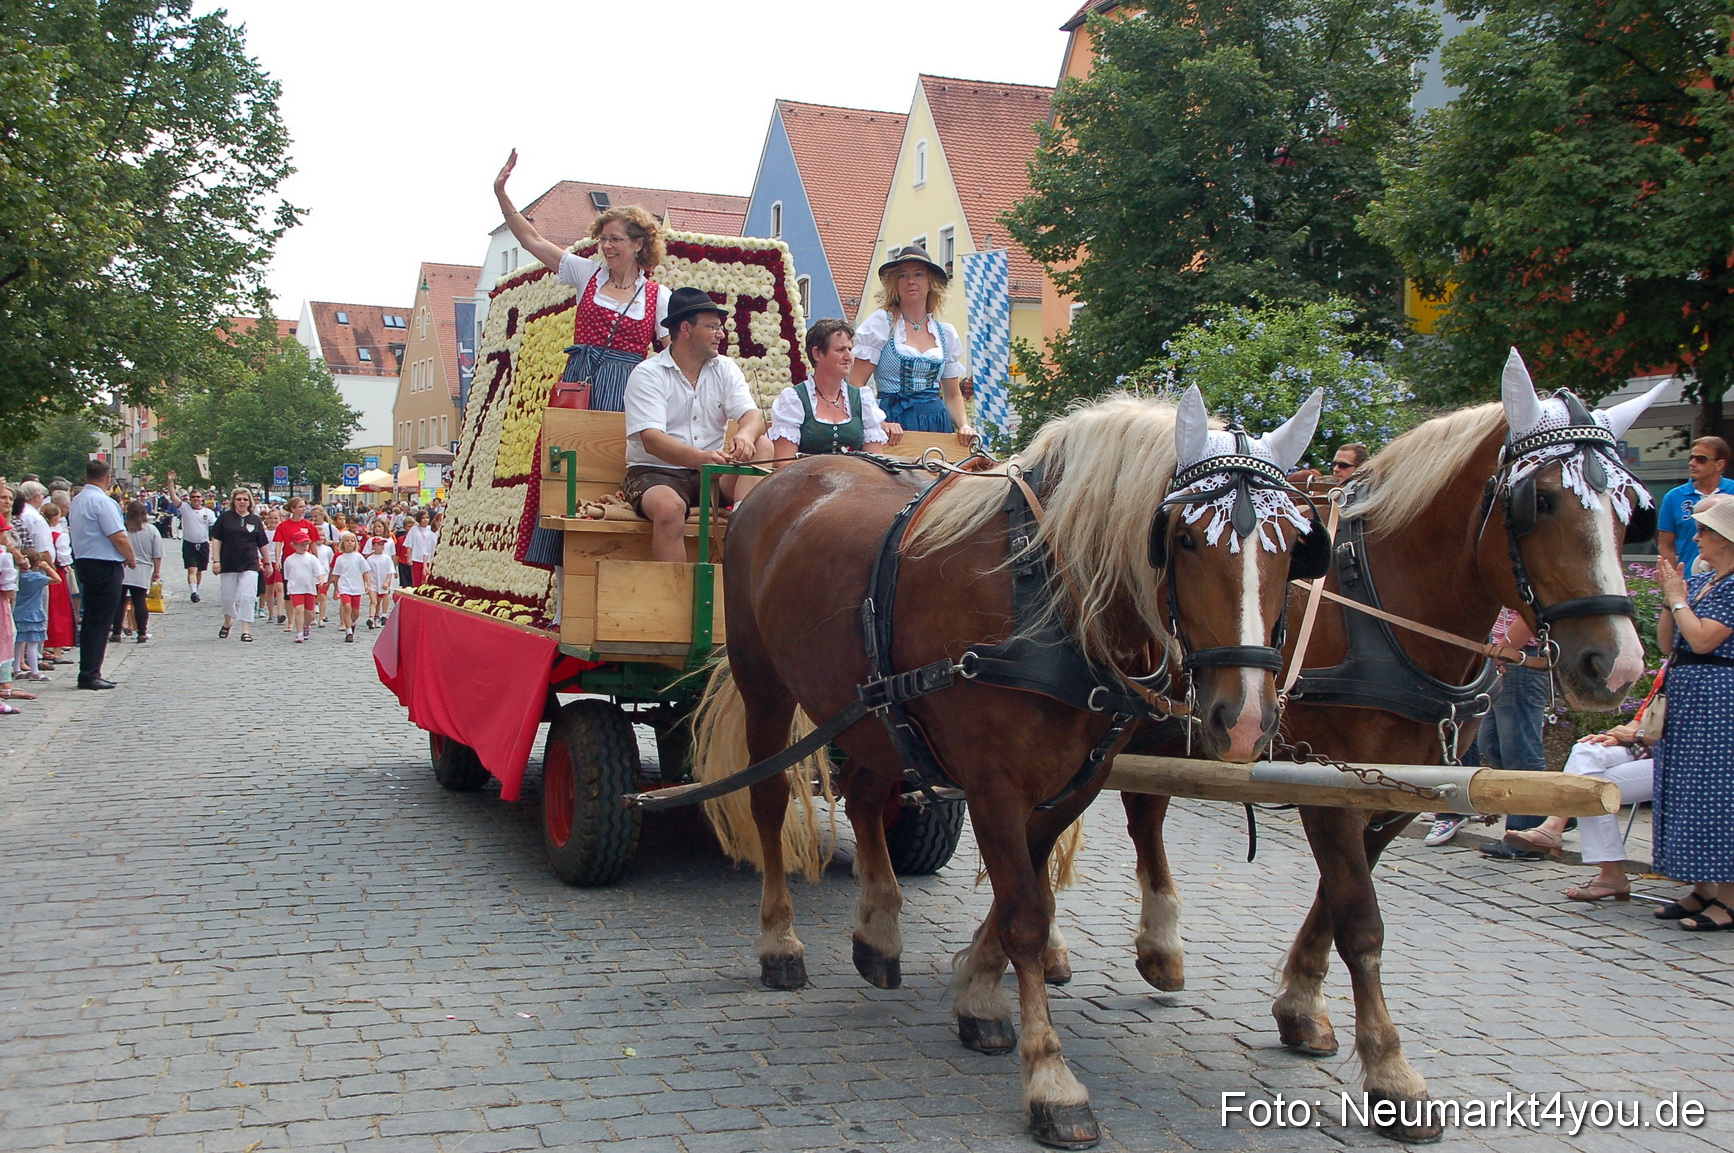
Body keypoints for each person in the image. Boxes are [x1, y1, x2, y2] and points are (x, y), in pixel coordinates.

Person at [496, 149, 670, 569]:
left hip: (629, 394)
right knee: (563, 479)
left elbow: (670, 359)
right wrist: (501, 194)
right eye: (603, 238)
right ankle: (561, 584)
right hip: (580, 385)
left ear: (638, 244)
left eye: (615, 239)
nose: (606, 246)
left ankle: (609, 569)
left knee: (611, 477)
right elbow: (531, 240)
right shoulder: (586, 274)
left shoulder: (659, 297)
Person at [622, 287, 766, 563]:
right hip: (656, 472)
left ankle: (740, 529)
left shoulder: (725, 367)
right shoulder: (648, 374)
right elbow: (652, 440)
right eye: (712, 326)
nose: (721, 334)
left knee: (763, 444)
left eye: (720, 327)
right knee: (669, 508)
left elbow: (753, 416)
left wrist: (746, 436)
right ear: (686, 329)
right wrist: (701, 459)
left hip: (710, 474)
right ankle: (673, 600)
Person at [1648, 495, 1734, 929]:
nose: (1695, 536)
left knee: (1719, 791)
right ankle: (1703, 887)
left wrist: (1679, 600)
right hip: (1692, 695)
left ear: (1726, 539)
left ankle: (1731, 897)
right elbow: (1669, 643)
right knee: (1689, 786)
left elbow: (1703, 640)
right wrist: (1670, 600)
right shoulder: (1708, 581)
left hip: (1720, 698)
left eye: (1703, 531)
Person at [1502, 721, 1654, 901]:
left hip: (1678, 760)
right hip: (1642, 750)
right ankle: (1553, 826)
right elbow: (1643, 715)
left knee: (1590, 783)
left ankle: (1609, 872)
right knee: (1586, 749)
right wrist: (1618, 735)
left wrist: (1639, 735)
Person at [849, 246, 973, 442]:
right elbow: (856, 385)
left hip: (936, 424)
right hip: (892, 424)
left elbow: (952, 395)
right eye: (903, 276)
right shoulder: (881, 324)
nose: (911, 281)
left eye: (919, 274)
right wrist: (879, 422)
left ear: (930, 283)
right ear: (895, 284)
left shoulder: (945, 334)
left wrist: (964, 425)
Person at [68, 460, 136, 689]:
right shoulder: (103, 502)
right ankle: (90, 673)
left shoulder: (77, 500)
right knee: (101, 620)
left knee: (91, 619)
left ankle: (89, 669)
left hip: (85, 561)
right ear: (108, 478)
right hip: (104, 564)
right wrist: (131, 557)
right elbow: (118, 535)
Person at [1657, 436, 1734, 575]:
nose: (1692, 463)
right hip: (1689, 581)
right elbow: (1666, 545)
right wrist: (1673, 578)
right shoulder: (1673, 497)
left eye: (1701, 459)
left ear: (1719, 465)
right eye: (1691, 458)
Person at [210, 489, 269, 642]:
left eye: (245, 499)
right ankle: (228, 620)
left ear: (249, 502)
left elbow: (262, 543)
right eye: (239, 499)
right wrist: (216, 560)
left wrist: (268, 563)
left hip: (249, 562)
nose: (242, 502)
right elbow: (216, 539)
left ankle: (245, 629)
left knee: (248, 596)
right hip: (229, 562)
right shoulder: (225, 518)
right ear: (234, 501)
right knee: (228, 597)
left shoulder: (255, 520)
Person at [113, 500, 163, 644]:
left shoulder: (122, 529)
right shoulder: (151, 530)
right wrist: (157, 571)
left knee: (120, 602)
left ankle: (116, 631)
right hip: (143, 569)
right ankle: (142, 632)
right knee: (139, 601)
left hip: (123, 567)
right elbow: (157, 553)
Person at [166, 472, 215, 602]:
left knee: (199, 571)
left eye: (198, 497)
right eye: (193, 497)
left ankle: (196, 589)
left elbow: (216, 526)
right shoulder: (185, 508)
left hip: (203, 544)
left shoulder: (208, 513)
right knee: (191, 569)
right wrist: (171, 482)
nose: (195, 499)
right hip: (189, 543)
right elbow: (173, 496)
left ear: (202, 499)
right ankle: (193, 592)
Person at [13, 551, 59, 681]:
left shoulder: (17, 577)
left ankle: (16, 669)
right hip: (33, 613)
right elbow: (57, 579)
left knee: (18, 642)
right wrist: (48, 567)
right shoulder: (36, 578)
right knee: (33, 643)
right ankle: (34, 671)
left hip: (18, 612)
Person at [41, 500, 75, 663]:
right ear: (56, 518)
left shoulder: (41, 532)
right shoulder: (58, 535)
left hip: (43, 572)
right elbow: (63, 558)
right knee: (58, 611)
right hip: (56, 572)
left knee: (45, 610)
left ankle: (44, 646)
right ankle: (57, 650)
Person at [281, 537, 322, 643]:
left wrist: (320, 579)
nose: (304, 547)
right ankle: (299, 633)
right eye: (301, 545)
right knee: (298, 609)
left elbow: (318, 571)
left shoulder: (312, 558)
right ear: (294, 545)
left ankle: (306, 626)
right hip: (295, 588)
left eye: (306, 544)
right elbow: (287, 575)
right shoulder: (289, 560)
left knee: (309, 613)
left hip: (309, 588)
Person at [331, 532, 368, 643]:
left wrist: (368, 585)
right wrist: (336, 589)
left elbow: (366, 571)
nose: (350, 543)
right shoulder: (340, 558)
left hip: (356, 586)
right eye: (347, 541)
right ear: (343, 543)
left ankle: (352, 623)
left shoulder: (359, 557)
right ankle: (348, 631)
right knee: (346, 607)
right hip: (344, 586)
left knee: (355, 612)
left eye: (352, 540)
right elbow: (336, 575)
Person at [365, 535, 396, 627]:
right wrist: (368, 584)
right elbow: (367, 572)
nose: (381, 546)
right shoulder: (370, 559)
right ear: (373, 546)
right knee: (373, 601)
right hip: (373, 583)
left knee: (382, 599)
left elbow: (390, 571)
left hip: (383, 582)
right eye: (379, 544)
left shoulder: (387, 558)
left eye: (382, 544)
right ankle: (371, 617)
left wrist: (387, 582)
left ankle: (380, 615)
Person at [404, 509, 437, 586]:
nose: (425, 520)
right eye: (423, 518)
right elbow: (409, 545)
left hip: (429, 559)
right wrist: (409, 558)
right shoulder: (414, 529)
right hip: (417, 559)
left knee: (426, 581)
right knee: (417, 581)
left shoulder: (432, 529)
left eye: (427, 517)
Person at [311, 534, 335, 627]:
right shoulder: (310, 548)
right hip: (312, 577)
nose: (321, 537)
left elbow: (331, 562)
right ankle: (312, 617)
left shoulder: (327, 549)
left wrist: (330, 577)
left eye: (323, 535)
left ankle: (321, 618)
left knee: (322, 596)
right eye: (318, 535)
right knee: (312, 597)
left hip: (324, 576)